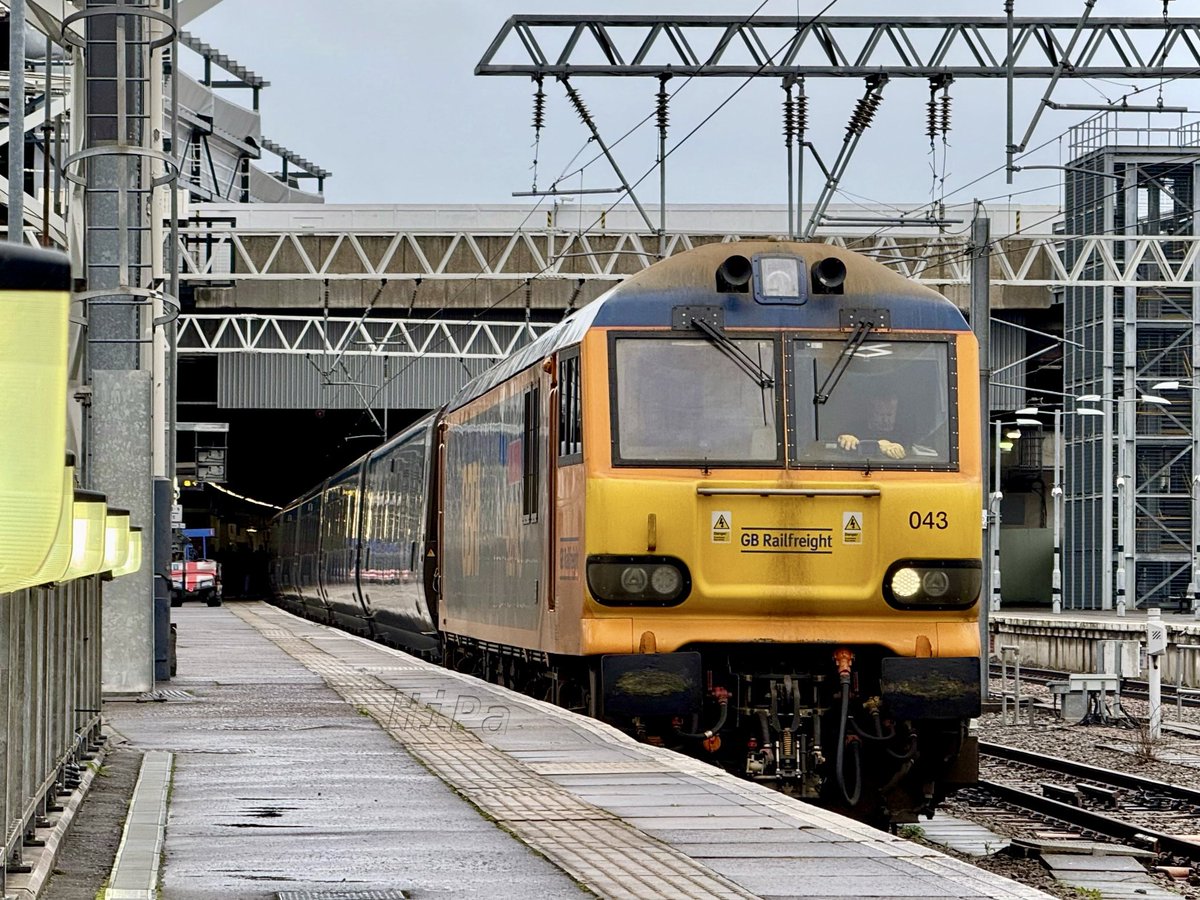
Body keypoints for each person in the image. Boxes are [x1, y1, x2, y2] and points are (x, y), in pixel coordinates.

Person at [837, 392, 909, 459]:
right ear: (870, 412)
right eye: (881, 415)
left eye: (889, 415)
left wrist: (900, 450)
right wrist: (846, 440)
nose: (886, 420)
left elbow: (913, 453)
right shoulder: (854, 429)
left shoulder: (903, 433)